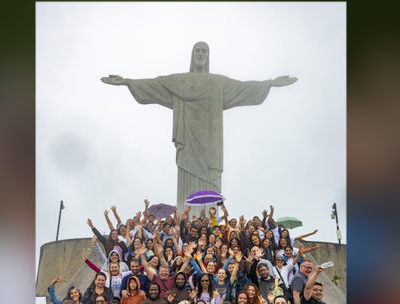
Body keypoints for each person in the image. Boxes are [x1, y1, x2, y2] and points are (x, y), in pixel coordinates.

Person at [101, 42, 297, 205]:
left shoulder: (218, 82)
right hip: (188, 140)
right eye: (198, 50)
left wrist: (270, 83)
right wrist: (127, 82)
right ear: (192, 55)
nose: (201, 54)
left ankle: (209, 223)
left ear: (208, 56)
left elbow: (243, 88)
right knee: (187, 180)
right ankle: (186, 220)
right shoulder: (179, 81)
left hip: (210, 145)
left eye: (204, 51)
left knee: (209, 188)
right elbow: (155, 84)